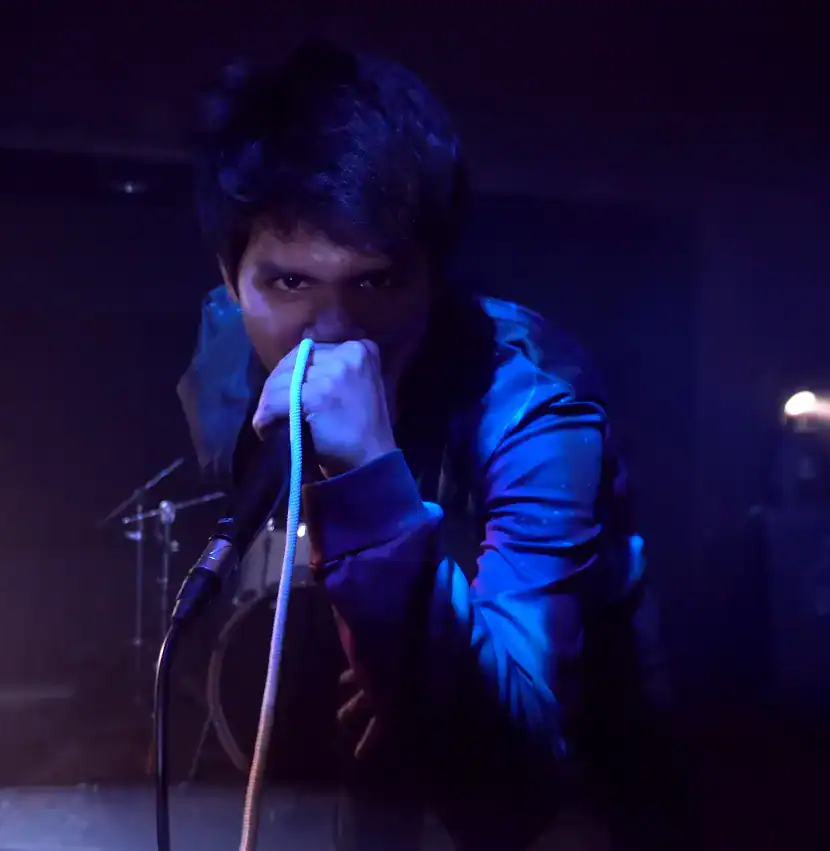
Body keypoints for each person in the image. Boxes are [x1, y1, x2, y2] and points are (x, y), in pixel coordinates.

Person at [177, 40, 694, 850]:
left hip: (582, 794)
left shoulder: (534, 406)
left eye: (377, 281)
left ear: (432, 274)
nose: (332, 334)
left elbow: (517, 780)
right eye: (289, 282)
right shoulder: (224, 355)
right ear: (229, 275)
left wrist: (371, 485)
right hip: (383, 768)